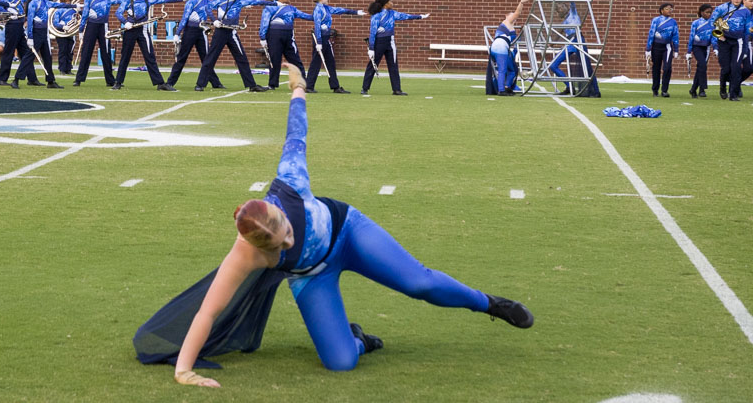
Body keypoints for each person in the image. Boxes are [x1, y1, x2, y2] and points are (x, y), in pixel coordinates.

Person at [134, 63, 534, 385]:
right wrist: (184, 371)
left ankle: (490, 304)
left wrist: (297, 90)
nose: (286, 241)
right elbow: (207, 310)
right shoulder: (246, 253)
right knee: (340, 363)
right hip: (312, 276)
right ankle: (358, 338)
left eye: (287, 232)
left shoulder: (290, 181)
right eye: (278, 246)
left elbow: (296, 134)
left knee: (420, 283)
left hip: (349, 233)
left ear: (280, 214)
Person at [194, 0, 274, 93]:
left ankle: (251, 85)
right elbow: (208, 8)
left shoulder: (240, 0)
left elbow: (256, 1)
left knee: (242, 58)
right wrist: (214, 20)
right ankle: (200, 84)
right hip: (221, 31)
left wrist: (274, 3)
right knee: (211, 58)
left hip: (232, 32)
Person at [113, 0, 184, 91]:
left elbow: (164, 0)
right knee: (125, 56)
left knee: (150, 56)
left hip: (143, 30)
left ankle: (160, 83)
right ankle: (118, 82)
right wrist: (125, 23)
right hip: (130, 29)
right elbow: (118, 13)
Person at [361, 0, 428, 96]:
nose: (392, 3)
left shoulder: (392, 13)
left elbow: (405, 16)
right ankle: (365, 88)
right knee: (372, 65)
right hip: (379, 42)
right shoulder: (377, 15)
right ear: (385, 4)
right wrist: (371, 48)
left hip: (390, 42)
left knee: (393, 65)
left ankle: (397, 89)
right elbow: (372, 32)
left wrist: (420, 16)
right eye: (390, 1)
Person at [167, 0, 223, 91]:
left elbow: (211, 12)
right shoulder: (192, 1)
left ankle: (215, 82)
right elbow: (185, 18)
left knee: (207, 58)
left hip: (202, 31)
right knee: (182, 57)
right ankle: (170, 82)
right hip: (190, 31)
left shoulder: (207, 1)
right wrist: (177, 33)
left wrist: (214, 21)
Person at [306, 0, 363, 94]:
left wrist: (355, 12)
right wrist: (318, 42)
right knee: (316, 63)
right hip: (320, 38)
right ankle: (309, 86)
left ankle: (335, 86)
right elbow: (317, 26)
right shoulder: (318, 9)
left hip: (326, 38)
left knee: (331, 62)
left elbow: (340, 10)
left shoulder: (327, 8)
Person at [73, 0, 126, 87]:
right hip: (91, 26)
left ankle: (110, 80)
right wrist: (81, 30)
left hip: (104, 26)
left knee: (106, 53)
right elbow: (85, 16)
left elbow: (122, 1)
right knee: (86, 52)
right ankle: (79, 79)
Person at [259, 0, 314, 91]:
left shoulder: (292, 8)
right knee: (275, 60)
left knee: (295, 60)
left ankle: (304, 84)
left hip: (289, 36)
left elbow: (305, 16)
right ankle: (272, 84)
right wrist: (262, 37)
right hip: (274, 36)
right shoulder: (270, 7)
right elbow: (264, 23)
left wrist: (317, 16)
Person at [21, 0, 72, 89]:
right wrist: (30, 37)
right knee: (29, 57)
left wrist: (74, 5)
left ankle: (50, 81)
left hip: (44, 31)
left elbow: (57, 5)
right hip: (36, 32)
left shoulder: (44, 1)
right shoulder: (33, 3)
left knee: (47, 58)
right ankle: (17, 79)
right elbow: (30, 20)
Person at [0, 0, 39, 88]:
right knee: (9, 52)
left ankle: (32, 78)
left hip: (20, 25)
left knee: (26, 53)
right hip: (12, 25)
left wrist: (46, 0)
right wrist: (9, 12)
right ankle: (2, 78)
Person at [708, 0, 746, 100]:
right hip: (724, 42)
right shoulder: (721, 8)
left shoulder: (745, 11)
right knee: (726, 69)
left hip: (738, 41)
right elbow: (712, 24)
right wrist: (719, 37)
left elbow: (748, 26)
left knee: (736, 67)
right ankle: (723, 87)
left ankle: (733, 94)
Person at [488, 0, 528, 96]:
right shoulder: (507, 21)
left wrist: (522, 33)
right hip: (500, 47)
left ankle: (507, 87)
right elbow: (517, 13)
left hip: (503, 48)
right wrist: (521, 3)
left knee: (513, 69)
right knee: (502, 69)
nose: (513, 17)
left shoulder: (510, 27)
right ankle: (501, 90)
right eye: (511, 15)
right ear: (506, 16)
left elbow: (514, 41)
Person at [645, 3, 679, 98]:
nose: (669, 10)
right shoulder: (656, 20)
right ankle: (655, 89)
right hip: (656, 46)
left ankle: (664, 90)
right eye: (667, 9)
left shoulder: (673, 22)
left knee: (667, 68)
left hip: (667, 47)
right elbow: (651, 34)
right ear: (662, 10)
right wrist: (648, 48)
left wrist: (676, 49)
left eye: (671, 9)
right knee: (656, 68)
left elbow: (675, 35)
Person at [686, 4, 714, 99]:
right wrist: (689, 51)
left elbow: (713, 37)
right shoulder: (696, 23)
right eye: (707, 12)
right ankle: (702, 88)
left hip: (706, 47)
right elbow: (691, 37)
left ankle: (693, 89)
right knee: (702, 65)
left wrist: (716, 48)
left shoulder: (712, 23)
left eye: (710, 12)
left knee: (701, 68)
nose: (709, 14)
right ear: (701, 12)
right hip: (697, 47)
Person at [52, 0, 78, 75]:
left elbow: (77, 19)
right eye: (66, 1)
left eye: (69, 1)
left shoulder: (73, 10)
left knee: (70, 51)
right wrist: (63, 26)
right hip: (61, 33)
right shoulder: (58, 10)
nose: (68, 2)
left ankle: (69, 69)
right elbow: (55, 23)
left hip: (71, 32)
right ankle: (62, 69)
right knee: (63, 50)